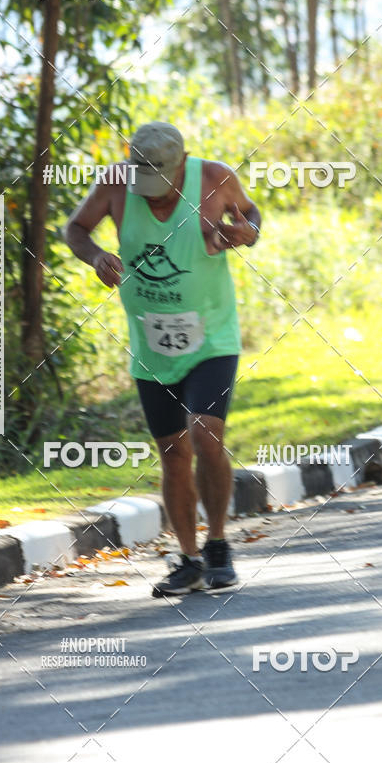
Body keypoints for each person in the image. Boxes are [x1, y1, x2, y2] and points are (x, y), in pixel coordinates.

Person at [65, 122, 261, 596]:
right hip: (151, 345)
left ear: (183, 162)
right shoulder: (114, 184)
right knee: (173, 454)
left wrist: (243, 233)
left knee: (205, 435)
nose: (151, 197)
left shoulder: (214, 178)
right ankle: (188, 560)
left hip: (212, 335)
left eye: (161, 185)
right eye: (144, 183)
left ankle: (218, 547)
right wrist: (94, 256)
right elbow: (74, 229)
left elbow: (251, 215)